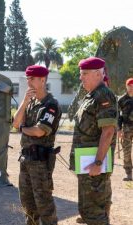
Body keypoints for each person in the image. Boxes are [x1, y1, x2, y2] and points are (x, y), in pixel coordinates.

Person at [13, 65, 62, 225]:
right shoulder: (31, 101)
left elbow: (39, 131)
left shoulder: (50, 105)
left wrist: (22, 128)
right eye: (27, 78)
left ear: (43, 80)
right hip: (26, 159)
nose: (29, 82)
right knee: (28, 205)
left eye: (32, 79)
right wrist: (24, 102)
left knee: (44, 205)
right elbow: (15, 122)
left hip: (41, 162)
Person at [71, 57, 117, 225]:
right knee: (91, 209)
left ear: (98, 74)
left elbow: (108, 130)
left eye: (84, 73)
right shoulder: (92, 96)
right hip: (87, 162)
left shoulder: (104, 95)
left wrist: (98, 162)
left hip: (94, 164)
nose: (80, 77)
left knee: (94, 212)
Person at [68, 74, 110, 171]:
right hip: (80, 149)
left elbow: (108, 131)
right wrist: (80, 94)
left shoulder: (107, 98)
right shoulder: (84, 99)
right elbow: (71, 114)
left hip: (97, 151)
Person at [117, 77, 133, 181]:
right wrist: (119, 129)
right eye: (129, 86)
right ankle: (129, 174)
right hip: (126, 128)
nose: (131, 88)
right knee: (126, 151)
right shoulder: (121, 100)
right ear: (126, 87)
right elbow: (118, 116)